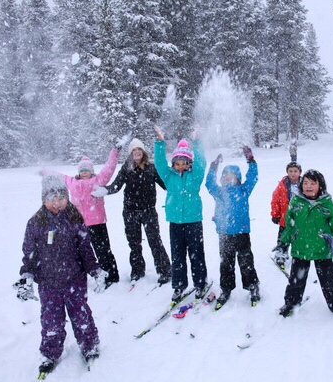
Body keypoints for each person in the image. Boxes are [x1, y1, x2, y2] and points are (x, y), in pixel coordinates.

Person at [14, 175, 107, 375]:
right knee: (51, 320)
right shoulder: (35, 223)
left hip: (74, 278)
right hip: (48, 283)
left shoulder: (74, 218)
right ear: (43, 199)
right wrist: (27, 276)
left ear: (67, 197)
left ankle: (89, 344)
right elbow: (29, 253)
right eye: (51, 197)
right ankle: (50, 353)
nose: (57, 202)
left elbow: (85, 249)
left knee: (81, 314)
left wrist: (94, 269)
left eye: (61, 197)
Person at [42, 137, 128, 288]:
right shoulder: (72, 182)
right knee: (83, 253)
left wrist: (116, 150)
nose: (84, 173)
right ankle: (89, 276)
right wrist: (45, 172)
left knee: (103, 251)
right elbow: (59, 176)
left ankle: (111, 276)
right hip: (79, 224)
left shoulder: (98, 180)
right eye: (82, 170)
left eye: (87, 170)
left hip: (97, 223)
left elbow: (110, 167)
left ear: (91, 171)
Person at [92, 138, 172, 285]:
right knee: (134, 243)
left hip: (149, 211)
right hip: (130, 212)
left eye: (139, 149)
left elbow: (166, 184)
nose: (137, 152)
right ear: (130, 153)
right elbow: (116, 186)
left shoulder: (151, 168)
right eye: (134, 150)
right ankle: (137, 270)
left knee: (155, 241)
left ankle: (165, 271)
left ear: (143, 152)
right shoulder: (126, 168)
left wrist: (179, 182)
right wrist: (105, 190)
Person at [278, 169, 333, 320]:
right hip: (300, 248)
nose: (308, 186)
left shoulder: (327, 203)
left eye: (313, 183)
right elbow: (289, 224)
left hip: (322, 249)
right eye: (305, 183)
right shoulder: (296, 201)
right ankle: (291, 303)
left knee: (329, 281)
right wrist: (284, 242)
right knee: (296, 280)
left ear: (320, 185)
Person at [153, 126, 208, 302]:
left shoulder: (195, 176)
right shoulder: (169, 177)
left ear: (189, 163)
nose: (181, 166)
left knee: (196, 254)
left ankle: (200, 284)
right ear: (174, 164)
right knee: (177, 256)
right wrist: (160, 142)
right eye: (177, 163)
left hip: (193, 222)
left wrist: (197, 142)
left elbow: (201, 163)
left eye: (184, 163)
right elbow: (160, 163)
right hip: (175, 223)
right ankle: (178, 286)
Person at [205, 146, 261, 309]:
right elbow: (209, 182)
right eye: (226, 176)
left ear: (238, 178)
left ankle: (252, 286)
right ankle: (226, 288)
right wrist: (214, 166)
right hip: (224, 233)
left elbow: (253, 177)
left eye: (233, 176)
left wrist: (250, 159)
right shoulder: (218, 191)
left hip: (242, 232)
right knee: (226, 263)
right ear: (222, 179)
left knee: (246, 261)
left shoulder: (244, 190)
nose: (229, 178)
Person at [270, 161, 302, 268]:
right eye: (290, 171)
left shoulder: (304, 184)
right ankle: (280, 254)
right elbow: (275, 200)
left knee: (299, 237)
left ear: (300, 172)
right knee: (283, 237)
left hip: (300, 218)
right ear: (287, 172)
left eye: (295, 171)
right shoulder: (282, 185)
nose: (293, 173)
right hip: (285, 217)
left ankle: (299, 255)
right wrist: (275, 214)